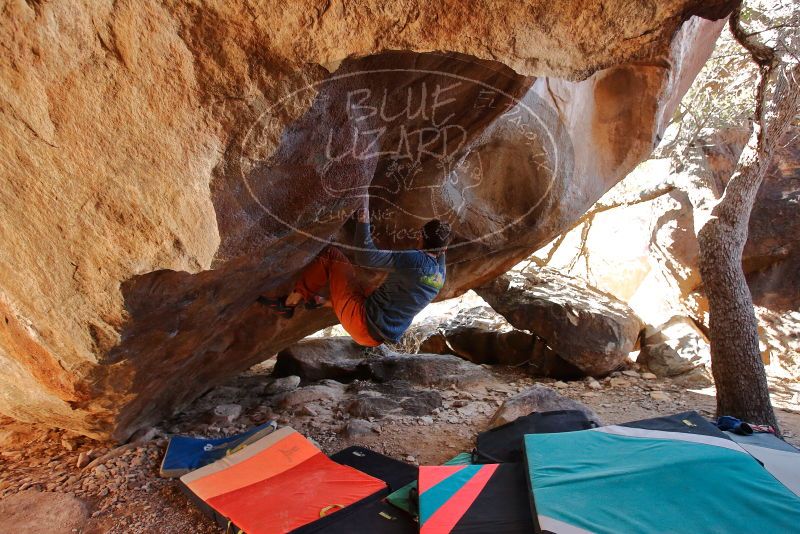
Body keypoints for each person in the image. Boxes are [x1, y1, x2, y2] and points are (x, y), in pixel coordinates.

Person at [259, 197, 451, 347]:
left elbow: (366, 257)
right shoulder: (440, 275)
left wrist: (363, 214)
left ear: (420, 237)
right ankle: (323, 302)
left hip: (362, 322)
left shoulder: (414, 259)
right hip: (376, 334)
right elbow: (441, 250)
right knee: (367, 287)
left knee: (331, 256)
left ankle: (288, 303)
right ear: (443, 249)